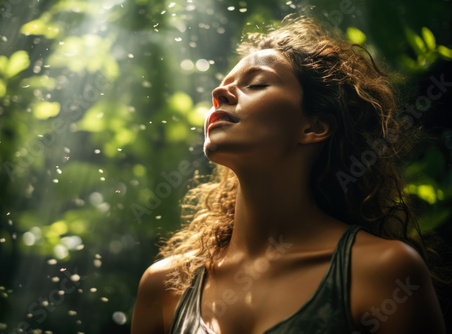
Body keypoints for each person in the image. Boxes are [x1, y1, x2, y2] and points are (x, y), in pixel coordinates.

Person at [131, 16, 447, 334]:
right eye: (223, 86)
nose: (220, 94)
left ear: (314, 127)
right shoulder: (165, 285)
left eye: (255, 84)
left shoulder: (382, 270)